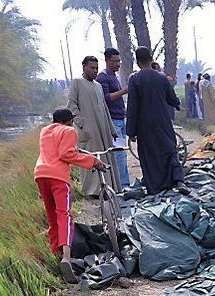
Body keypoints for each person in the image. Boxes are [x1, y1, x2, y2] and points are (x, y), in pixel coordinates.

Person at [34, 108, 105, 284]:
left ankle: (56, 254)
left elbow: (57, 149)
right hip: (58, 176)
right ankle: (67, 256)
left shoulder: (45, 130)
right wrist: (93, 161)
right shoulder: (68, 130)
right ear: (69, 121)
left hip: (41, 174)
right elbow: (66, 154)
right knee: (64, 214)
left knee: (52, 215)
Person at [127, 46, 182, 195]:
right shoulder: (162, 77)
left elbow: (132, 106)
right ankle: (176, 181)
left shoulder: (134, 79)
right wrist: (177, 104)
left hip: (144, 125)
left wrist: (131, 131)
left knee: (149, 155)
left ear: (137, 62)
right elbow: (172, 99)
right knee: (169, 149)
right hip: (162, 121)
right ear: (151, 59)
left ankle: (154, 188)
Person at [67, 55, 120, 197]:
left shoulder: (98, 85)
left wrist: (112, 129)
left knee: (106, 157)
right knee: (90, 159)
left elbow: (104, 108)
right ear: (84, 67)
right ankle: (92, 191)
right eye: (92, 68)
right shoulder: (77, 82)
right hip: (88, 130)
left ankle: (108, 189)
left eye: (96, 68)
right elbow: (71, 104)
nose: (95, 71)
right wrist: (81, 123)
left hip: (103, 130)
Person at [96, 47, 131, 190]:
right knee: (119, 155)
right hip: (113, 121)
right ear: (107, 60)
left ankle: (124, 183)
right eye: (115, 61)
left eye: (119, 61)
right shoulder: (103, 77)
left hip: (120, 118)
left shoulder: (113, 76)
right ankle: (122, 185)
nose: (118, 64)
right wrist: (124, 91)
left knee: (122, 153)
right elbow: (106, 98)